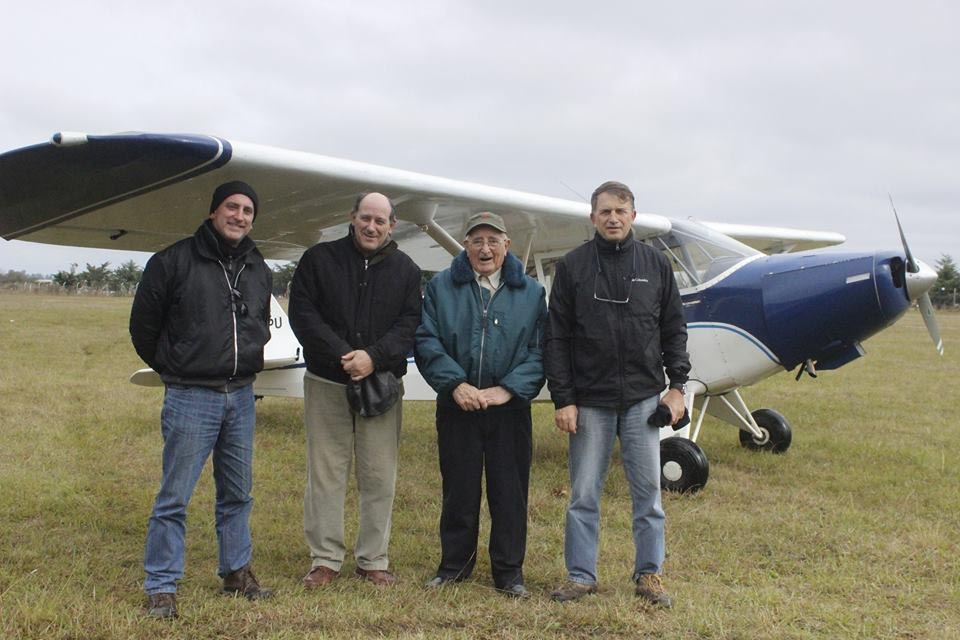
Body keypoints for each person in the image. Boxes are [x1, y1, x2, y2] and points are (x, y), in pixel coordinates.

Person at [130, 181, 274, 619]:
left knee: (238, 493)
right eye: (232, 207)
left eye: (247, 210)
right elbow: (143, 327)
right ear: (214, 212)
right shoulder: (172, 261)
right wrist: (174, 366)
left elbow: (260, 320)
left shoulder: (257, 266)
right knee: (174, 496)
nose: (239, 216)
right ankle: (161, 585)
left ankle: (236, 572)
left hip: (241, 395)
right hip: (192, 395)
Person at [544, 181, 690, 608]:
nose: (613, 218)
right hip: (590, 399)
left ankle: (650, 574)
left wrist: (677, 387)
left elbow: (674, 329)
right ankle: (580, 575)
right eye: (605, 211)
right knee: (584, 495)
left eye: (620, 211)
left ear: (633, 216)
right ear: (593, 217)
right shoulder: (572, 267)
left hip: (643, 399)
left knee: (648, 495)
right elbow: (557, 338)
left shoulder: (656, 264)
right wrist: (564, 398)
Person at [289, 192, 421, 588]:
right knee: (326, 472)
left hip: (381, 386)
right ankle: (325, 559)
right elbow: (304, 314)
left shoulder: (406, 270)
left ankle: (373, 560)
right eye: (366, 218)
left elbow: (410, 324)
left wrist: (373, 358)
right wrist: (344, 354)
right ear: (353, 217)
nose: (371, 226)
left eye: (380, 221)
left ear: (392, 225)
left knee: (379, 474)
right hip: (327, 380)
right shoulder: (319, 260)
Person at [415, 212, 547, 599]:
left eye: (493, 240)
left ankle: (509, 572)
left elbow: (541, 350)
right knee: (459, 489)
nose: (485, 249)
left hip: (509, 410)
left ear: (507, 245)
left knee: (510, 492)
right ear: (466, 245)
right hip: (458, 407)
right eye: (476, 241)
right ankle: (454, 566)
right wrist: (455, 385)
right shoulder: (441, 287)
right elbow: (427, 340)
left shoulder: (531, 293)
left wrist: (508, 390)